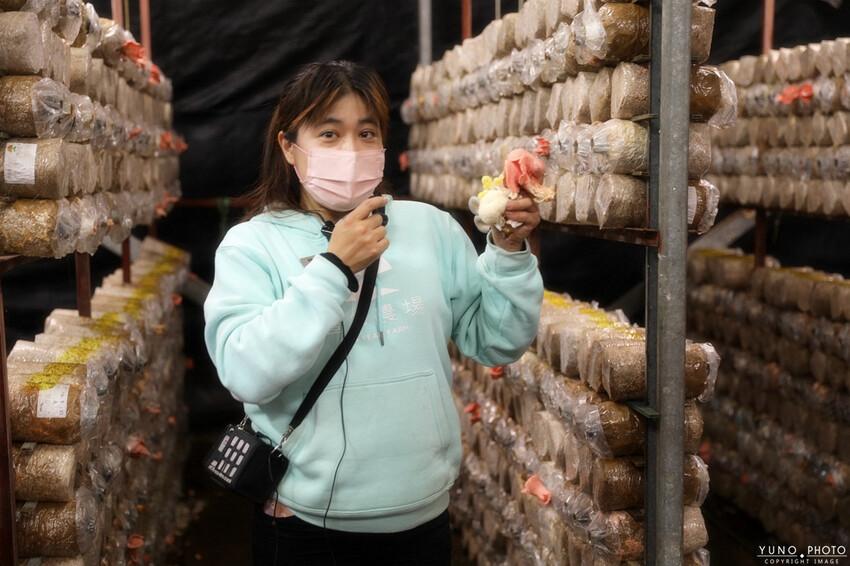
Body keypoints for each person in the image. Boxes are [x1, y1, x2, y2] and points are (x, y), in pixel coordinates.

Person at [204, 60, 544, 566]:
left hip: (422, 514)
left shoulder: (430, 228)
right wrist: (333, 267)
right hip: (305, 523)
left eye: (366, 132)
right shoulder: (253, 245)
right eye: (329, 132)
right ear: (288, 146)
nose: (351, 150)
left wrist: (509, 252)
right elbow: (245, 373)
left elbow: (496, 340)